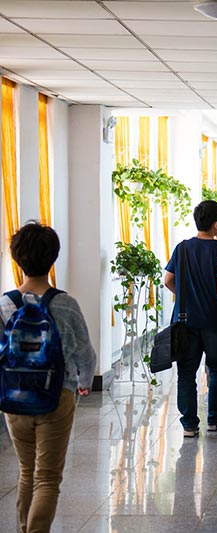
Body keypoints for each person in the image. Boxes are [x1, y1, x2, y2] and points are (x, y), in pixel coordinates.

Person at [1, 222, 97, 532]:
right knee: (47, 478)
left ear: (18, 259)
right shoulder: (65, 303)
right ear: (52, 258)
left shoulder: (5, 304)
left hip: (14, 398)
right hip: (57, 395)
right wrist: (84, 383)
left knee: (27, 472)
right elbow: (85, 353)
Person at [165, 200, 217, 438]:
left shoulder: (182, 248)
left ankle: (189, 425)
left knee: (186, 372)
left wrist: (183, 296)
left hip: (186, 321)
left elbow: (168, 280)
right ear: (216, 224)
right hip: (215, 320)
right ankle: (214, 420)